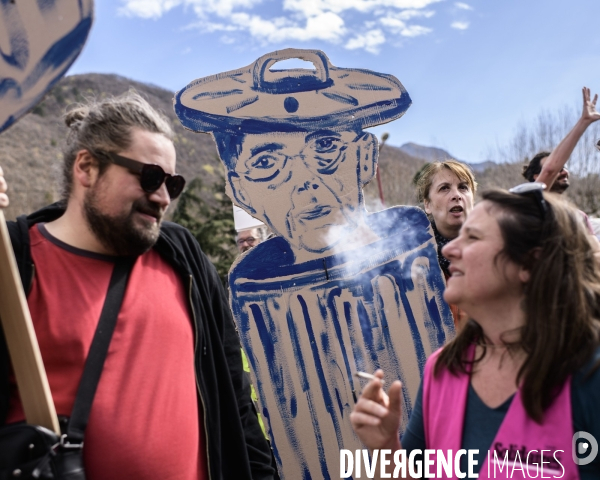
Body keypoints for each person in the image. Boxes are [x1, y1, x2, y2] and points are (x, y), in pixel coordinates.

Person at [175, 48, 455, 480]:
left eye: (325, 148)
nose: (304, 181)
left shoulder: (411, 250)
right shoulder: (253, 282)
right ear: (240, 190)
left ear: (365, 157)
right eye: (267, 163)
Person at [0, 92, 276, 480]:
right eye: (149, 177)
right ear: (87, 167)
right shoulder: (12, 260)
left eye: (172, 183)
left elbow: (234, 398)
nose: (163, 197)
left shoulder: (184, 259)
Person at [351, 186, 600, 479]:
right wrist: (385, 450)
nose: (448, 249)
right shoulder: (442, 370)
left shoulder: (589, 375)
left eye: (473, 238)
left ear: (529, 263)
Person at [414, 160, 476, 327]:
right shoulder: (411, 263)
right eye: (444, 188)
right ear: (427, 205)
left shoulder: (498, 253)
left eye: (463, 187)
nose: (456, 195)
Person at [522, 87, 600, 194]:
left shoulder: (575, 211)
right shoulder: (529, 204)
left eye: (564, 167)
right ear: (536, 177)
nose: (564, 172)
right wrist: (584, 121)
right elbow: (549, 170)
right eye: (558, 168)